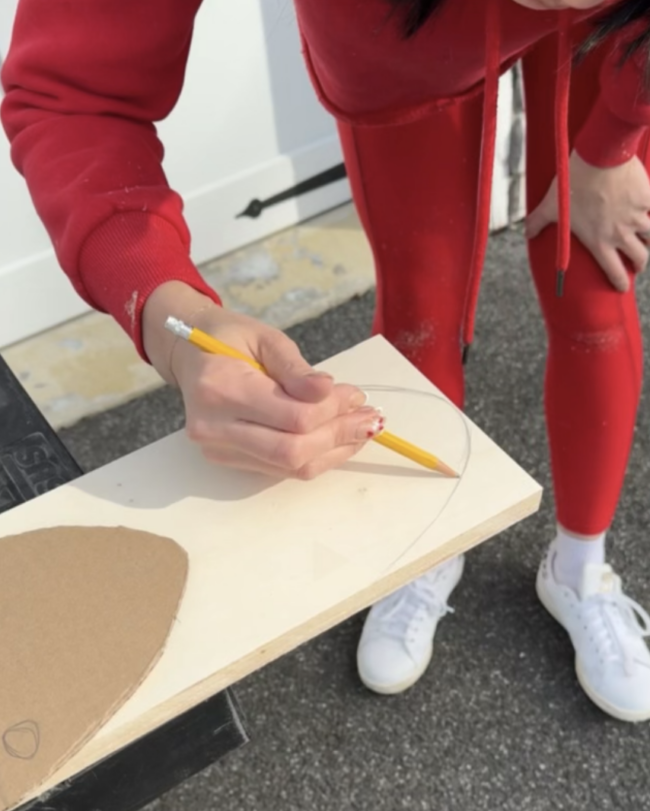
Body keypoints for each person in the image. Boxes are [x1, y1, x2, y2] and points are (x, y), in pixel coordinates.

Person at [3, 0, 650, 721]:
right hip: (397, 38)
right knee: (418, 315)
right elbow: (74, 88)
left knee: (595, 291)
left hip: (624, 30)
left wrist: (613, 144)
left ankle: (581, 568)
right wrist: (173, 318)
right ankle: (426, 543)